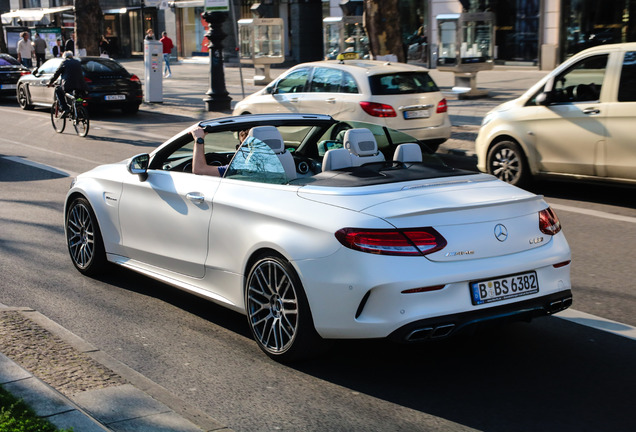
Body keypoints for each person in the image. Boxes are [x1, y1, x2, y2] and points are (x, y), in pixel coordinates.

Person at [47, 51, 88, 117]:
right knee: (77, 98)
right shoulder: (77, 62)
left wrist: (50, 82)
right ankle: (78, 110)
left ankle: (65, 108)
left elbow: (56, 74)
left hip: (68, 85)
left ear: (64, 57)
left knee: (58, 90)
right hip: (81, 85)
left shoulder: (64, 62)